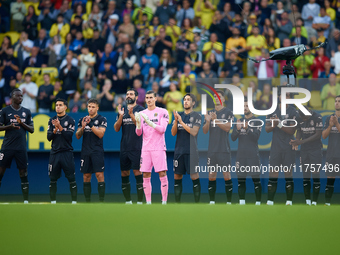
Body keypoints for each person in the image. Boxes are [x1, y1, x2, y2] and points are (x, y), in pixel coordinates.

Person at [135, 91, 169, 204]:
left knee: (162, 173)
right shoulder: (142, 113)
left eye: (151, 98)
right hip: (146, 149)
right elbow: (139, 133)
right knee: (145, 174)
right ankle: (148, 202)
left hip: (158, 147)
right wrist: (139, 124)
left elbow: (163, 129)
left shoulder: (162, 112)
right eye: (147, 98)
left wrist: (150, 123)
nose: (149, 100)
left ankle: (164, 202)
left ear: (155, 99)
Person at [0, 89, 34, 203]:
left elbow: (32, 129)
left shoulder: (26, 112)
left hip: (21, 147)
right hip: (7, 147)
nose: (21, 98)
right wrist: (9, 126)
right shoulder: (4, 111)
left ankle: (25, 201)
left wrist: (21, 123)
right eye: (18, 96)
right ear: (12, 96)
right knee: (0, 171)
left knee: (23, 172)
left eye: (21, 96)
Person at [265, 91, 299, 205]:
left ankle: (289, 201)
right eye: (283, 95)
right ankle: (270, 201)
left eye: (287, 96)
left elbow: (292, 130)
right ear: (279, 96)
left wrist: (278, 124)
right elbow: (267, 129)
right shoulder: (272, 110)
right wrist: (274, 124)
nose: (285, 97)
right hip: (275, 147)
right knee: (273, 173)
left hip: (288, 147)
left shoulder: (293, 111)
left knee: (288, 173)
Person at [202, 90, 233, 204]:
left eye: (219, 96)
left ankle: (229, 202)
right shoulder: (209, 113)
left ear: (223, 99)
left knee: (226, 175)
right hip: (212, 150)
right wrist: (207, 121)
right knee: (211, 176)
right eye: (215, 96)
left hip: (224, 149)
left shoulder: (228, 112)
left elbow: (227, 128)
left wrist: (215, 120)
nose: (216, 98)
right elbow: (205, 131)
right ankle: (212, 202)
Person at [114, 89, 145, 204]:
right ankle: (128, 201)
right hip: (124, 147)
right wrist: (121, 116)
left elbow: (140, 126)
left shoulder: (141, 110)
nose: (128, 96)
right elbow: (116, 129)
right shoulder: (121, 110)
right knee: (124, 173)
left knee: (137, 172)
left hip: (137, 146)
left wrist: (131, 114)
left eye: (131, 94)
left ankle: (140, 201)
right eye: (127, 94)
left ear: (136, 97)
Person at [171, 93, 202, 203]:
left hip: (191, 151)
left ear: (193, 103)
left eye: (188, 100)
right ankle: (177, 204)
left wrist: (181, 122)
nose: (186, 101)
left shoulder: (197, 116)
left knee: (194, 176)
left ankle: (197, 204)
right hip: (179, 151)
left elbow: (194, 132)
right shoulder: (178, 115)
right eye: (184, 100)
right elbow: (173, 133)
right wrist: (176, 122)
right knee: (177, 177)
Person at [231, 100, 262, 205]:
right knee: (241, 181)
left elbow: (255, 138)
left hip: (252, 155)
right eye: (243, 106)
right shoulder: (239, 120)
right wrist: (238, 129)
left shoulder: (257, 121)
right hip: (241, 155)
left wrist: (247, 128)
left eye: (247, 106)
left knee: (256, 180)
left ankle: (258, 203)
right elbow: (233, 138)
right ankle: (242, 203)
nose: (245, 107)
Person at [76, 99, 107, 202]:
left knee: (99, 175)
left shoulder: (102, 119)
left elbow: (100, 134)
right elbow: (77, 136)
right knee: (86, 176)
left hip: (97, 151)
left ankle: (101, 201)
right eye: (89, 106)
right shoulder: (82, 119)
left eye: (93, 107)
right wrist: (83, 127)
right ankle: (87, 202)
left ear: (97, 108)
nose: (91, 109)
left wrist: (91, 125)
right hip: (85, 151)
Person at [289, 108, 323, 206]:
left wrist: (301, 142)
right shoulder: (299, 118)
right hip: (304, 150)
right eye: (302, 118)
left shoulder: (317, 117)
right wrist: (297, 140)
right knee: (306, 173)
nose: (304, 120)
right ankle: (307, 200)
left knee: (315, 172)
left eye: (305, 118)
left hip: (315, 149)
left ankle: (315, 201)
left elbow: (318, 134)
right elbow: (299, 130)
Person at [47, 98, 77, 204]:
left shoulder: (70, 120)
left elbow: (68, 136)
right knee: (53, 179)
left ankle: (74, 202)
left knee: (71, 179)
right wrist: (55, 129)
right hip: (55, 153)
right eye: (56, 105)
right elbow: (49, 137)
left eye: (60, 105)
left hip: (66, 152)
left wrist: (59, 126)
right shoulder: (51, 120)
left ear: (65, 107)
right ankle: (53, 202)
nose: (58, 107)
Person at [322, 96, 340, 206]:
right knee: (330, 178)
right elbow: (323, 136)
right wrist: (330, 126)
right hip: (331, 153)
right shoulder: (329, 118)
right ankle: (327, 203)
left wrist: (337, 124)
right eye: (336, 101)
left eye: (339, 101)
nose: (337, 103)